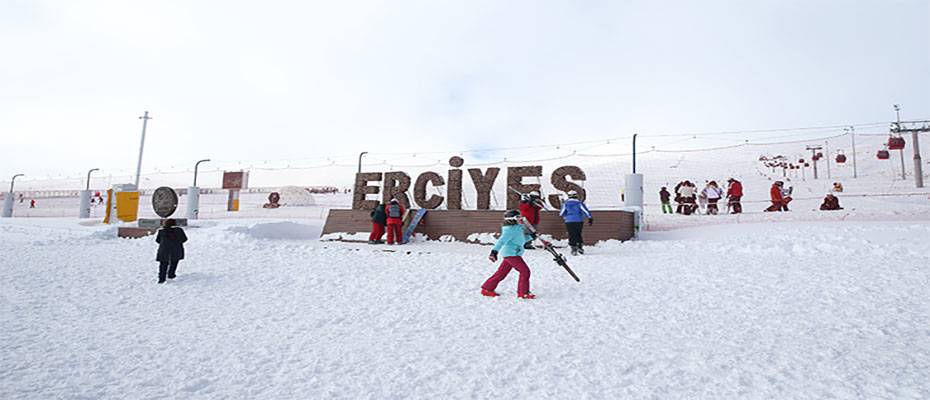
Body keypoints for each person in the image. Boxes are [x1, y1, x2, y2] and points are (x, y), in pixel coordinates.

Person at [481, 210, 536, 299]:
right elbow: (501, 241)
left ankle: (487, 289)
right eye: (518, 217)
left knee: (501, 273)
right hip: (511, 254)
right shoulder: (509, 230)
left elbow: (520, 240)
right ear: (511, 219)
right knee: (525, 271)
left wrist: (531, 237)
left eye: (520, 217)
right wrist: (494, 252)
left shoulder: (518, 228)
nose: (520, 219)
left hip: (514, 253)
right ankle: (523, 293)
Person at [559, 190, 593, 256]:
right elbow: (586, 211)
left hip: (569, 221)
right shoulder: (579, 203)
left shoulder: (566, 204)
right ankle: (580, 247)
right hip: (579, 221)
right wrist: (590, 218)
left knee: (571, 234)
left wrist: (566, 214)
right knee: (578, 233)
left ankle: (573, 248)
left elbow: (561, 213)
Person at [155, 219, 187, 284]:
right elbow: (184, 239)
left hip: (164, 250)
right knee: (174, 262)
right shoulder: (179, 230)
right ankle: (171, 274)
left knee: (163, 264)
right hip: (176, 249)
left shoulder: (161, 231)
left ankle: (161, 278)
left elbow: (158, 240)